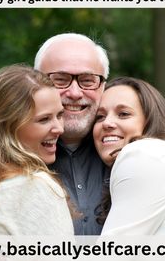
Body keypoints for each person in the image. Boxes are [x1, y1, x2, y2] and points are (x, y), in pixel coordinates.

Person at [0, 64, 74, 235]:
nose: (59, 128)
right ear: (9, 126)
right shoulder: (36, 186)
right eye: (44, 119)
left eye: (59, 115)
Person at [93, 76, 165, 235]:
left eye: (123, 114)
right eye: (100, 116)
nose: (107, 123)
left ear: (150, 121)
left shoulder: (143, 153)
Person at [34, 33, 110, 235]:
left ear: (103, 87)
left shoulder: (132, 152)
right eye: (60, 80)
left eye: (87, 80)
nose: (75, 93)